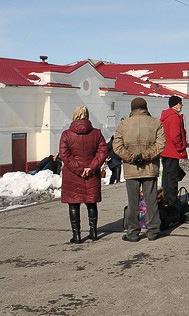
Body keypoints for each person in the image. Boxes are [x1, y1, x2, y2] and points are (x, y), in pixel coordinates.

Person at [113, 97, 166, 242]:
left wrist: (132, 157)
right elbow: (161, 144)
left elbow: (117, 146)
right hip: (150, 167)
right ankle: (153, 231)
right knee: (151, 200)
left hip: (131, 169)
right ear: (145, 108)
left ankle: (133, 232)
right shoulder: (155, 123)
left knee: (133, 201)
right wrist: (146, 156)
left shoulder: (123, 124)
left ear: (132, 109)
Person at [59, 106, 108, 244]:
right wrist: (91, 167)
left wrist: (79, 169)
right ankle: (93, 232)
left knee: (74, 204)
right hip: (91, 174)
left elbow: (64, 155)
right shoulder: (97, 133)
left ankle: (77, 235)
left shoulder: (66, 134)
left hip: (72, 175)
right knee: (91, 203)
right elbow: (103, 152)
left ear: (74, 115)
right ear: (87, 115)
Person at [160, 95, 188, 207]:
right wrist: (180, 148)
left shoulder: (165, 116)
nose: (182, 105)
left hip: (165, 150)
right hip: (172, 151)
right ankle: (172, 201)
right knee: (173, 177)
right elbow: (175, 135)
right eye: (180, 103)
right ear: (175, 104)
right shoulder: (174, 117)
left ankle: (165, 198)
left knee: (166, 176)